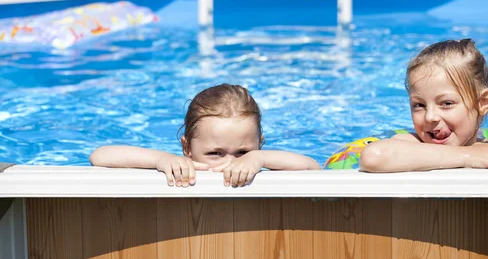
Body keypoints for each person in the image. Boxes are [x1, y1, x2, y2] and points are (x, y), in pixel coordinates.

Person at [358, 38, 488, 173]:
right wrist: (467, 157)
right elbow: (374, 156)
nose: (430, 116)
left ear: (482, 102)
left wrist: (480, 151)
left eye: (447, 103)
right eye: (419, 105)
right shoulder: (409, 142)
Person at [90, 84, 320, 187]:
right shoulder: (181, 166)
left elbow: (313, 169)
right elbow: (100, 156)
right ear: (187, 148)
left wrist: (260, 159)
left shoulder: (258, 166)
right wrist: (161, 160)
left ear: (260, 144)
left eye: (243, 152)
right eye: (215, 153)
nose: (231, 162)